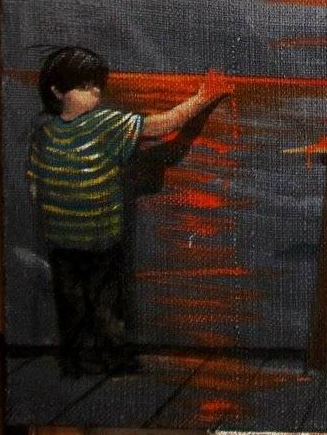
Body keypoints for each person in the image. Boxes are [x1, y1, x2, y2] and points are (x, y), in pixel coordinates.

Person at [27, 46, 231, 377]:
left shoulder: (54, 131)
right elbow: (162, 125)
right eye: (84, 86)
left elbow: (35, 182)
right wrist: (203, 98)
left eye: (97, 85)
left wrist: (200, 100)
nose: (95, 93)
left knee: (79, 303)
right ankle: (106, 358)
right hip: (92, 238)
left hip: (70, 239)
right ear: (57, 91)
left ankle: (82, 360)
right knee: (98, 303)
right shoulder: (98, 125)